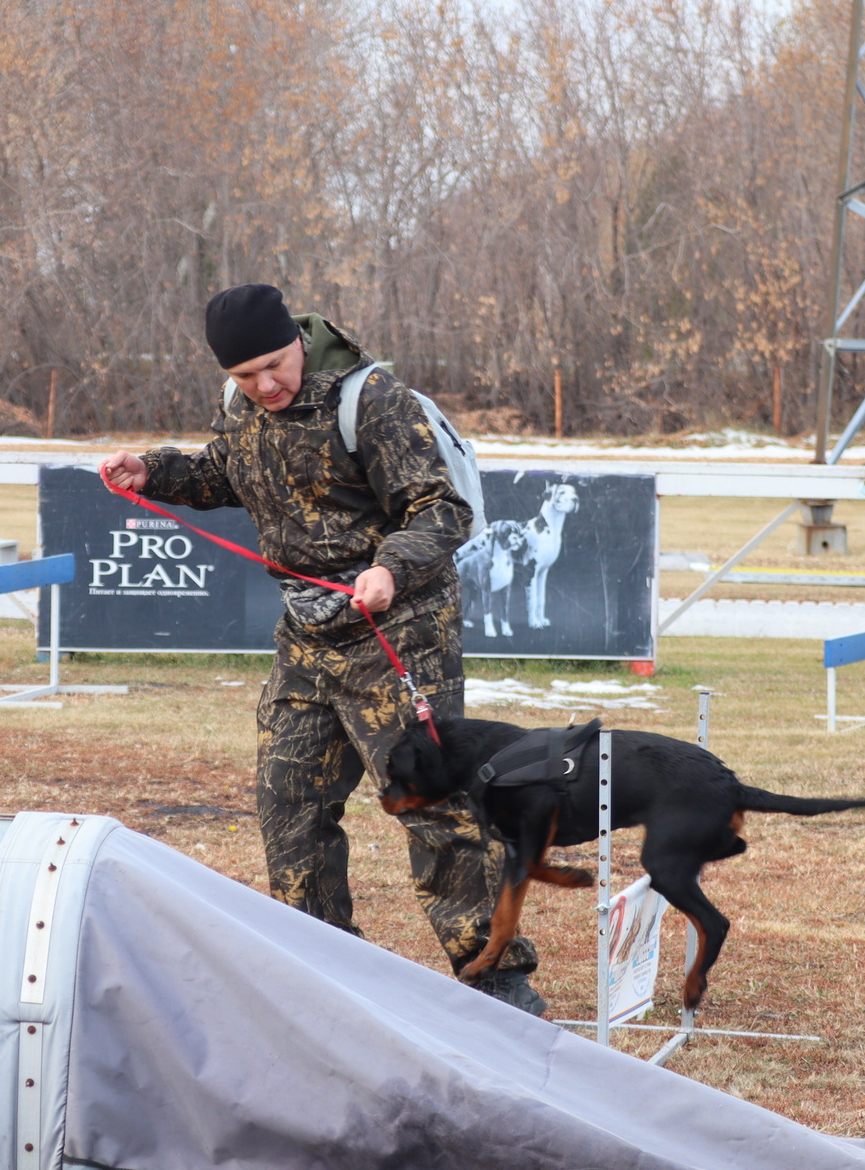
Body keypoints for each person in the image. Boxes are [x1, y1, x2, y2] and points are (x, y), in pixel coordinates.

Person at [100, 283, 545, 1014]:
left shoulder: (373, 401)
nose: (264, 385)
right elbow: (231, 469)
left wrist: (390, 568)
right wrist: (158, 471)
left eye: (274, 365)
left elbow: (442, 508)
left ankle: (497, 977)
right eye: (245, 376)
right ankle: (322, 971)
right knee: (289, 805)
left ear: (298, 340)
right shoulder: (242, 405)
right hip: (306, 639)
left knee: (433, 806)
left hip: (395, 633)